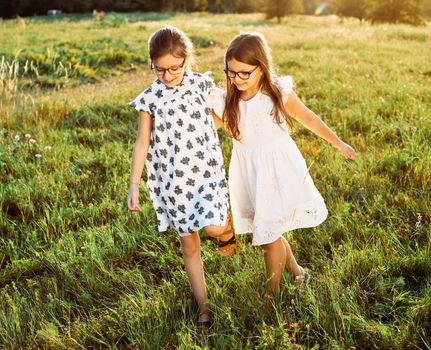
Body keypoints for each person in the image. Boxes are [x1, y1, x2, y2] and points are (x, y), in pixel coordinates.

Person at [209, 32, 355, 302]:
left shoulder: (276, 94)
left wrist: (338, 143)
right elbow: (204, 127)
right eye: (231, 73)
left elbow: (309, 118)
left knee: (268, 236)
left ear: (261, 68)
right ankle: (299, 273)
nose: (237, 79)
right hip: (249, 173)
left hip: (277, 171)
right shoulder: (228, 101)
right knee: (270, 230)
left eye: (245, 73)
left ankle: (271, 296)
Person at [127, 26, 237, 327]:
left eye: (175, 68)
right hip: (172, 182)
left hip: (205, 173)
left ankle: (226, 230)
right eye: (160, 69)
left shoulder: (201, 85)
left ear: (186, 60)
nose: (168, 75)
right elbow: (142, 142)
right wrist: (134, 185)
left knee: (213, 227)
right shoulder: (149, 99)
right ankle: (204, 306)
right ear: (151, 64)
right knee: (189, 245)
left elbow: (221, 117)